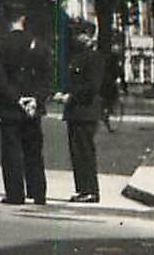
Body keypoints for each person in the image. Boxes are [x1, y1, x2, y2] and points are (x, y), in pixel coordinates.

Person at [0, 11, 50, 204]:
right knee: (34, 150)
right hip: (33, 107)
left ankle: (15, 194)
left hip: (10, 107)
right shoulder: (39, 45)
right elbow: (46, 78)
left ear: (7, 21)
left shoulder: (1, 45)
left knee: (12, 151)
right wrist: (35, 99)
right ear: (23, 19)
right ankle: (38, 192)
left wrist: (16, 99)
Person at [55, 25, 105, 203]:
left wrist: (71, 95)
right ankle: (82, 188)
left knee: (85, 152)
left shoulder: (94, 58)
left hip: (86, 111)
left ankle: (90, 190)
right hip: (76, 112)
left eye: (83, 35)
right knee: (76, 152)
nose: (79, 38)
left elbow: (92, 86)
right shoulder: (77, 57)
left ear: (91, 37)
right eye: (78, 34)